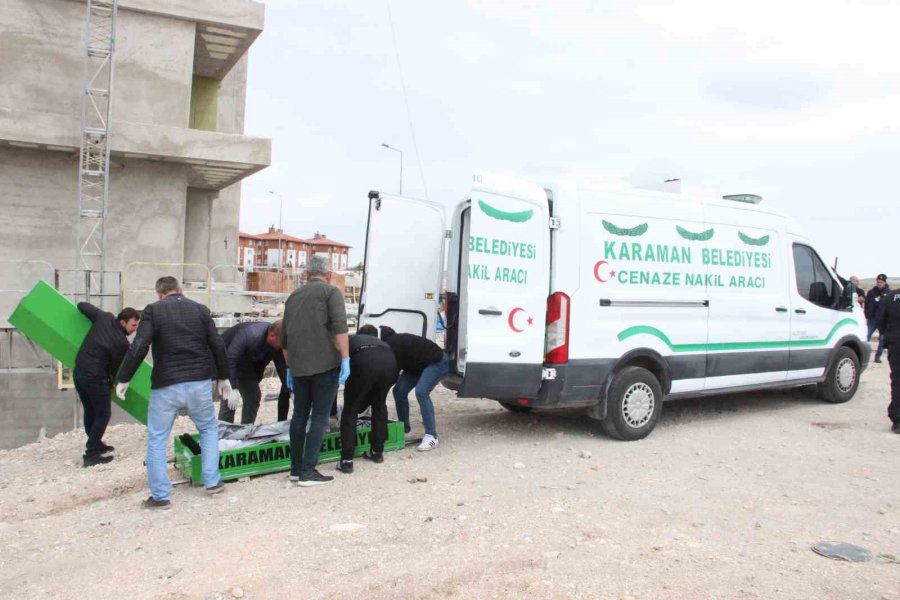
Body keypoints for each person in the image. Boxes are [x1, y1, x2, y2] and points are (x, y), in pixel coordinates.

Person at [117, 276, 231, 509]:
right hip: (199, 382)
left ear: (159, 294)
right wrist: (224, 376)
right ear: (180, 290)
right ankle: (213, 482)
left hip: (166, 385)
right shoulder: (200, 310)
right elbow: (217, 344)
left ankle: (160, 496)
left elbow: (140, 344)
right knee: (208, 429)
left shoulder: (153, 311)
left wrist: (124, 377)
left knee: (158, 438)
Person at [281, 255, 350, 487]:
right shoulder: (331, 293)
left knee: (299, 415)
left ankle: (295, 468)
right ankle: (308, 472)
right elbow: (340, 326)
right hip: (324, 365)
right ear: (328, 274)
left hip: (299, 367)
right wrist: (346, 358)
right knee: (320, 416)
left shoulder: (293, 297)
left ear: (306, 274)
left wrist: (289, 367)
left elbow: (284, 338)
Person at [73, 303, 140, 467]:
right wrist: (113, 384)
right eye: (133, 325)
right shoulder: (122, 344)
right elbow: (115, 369)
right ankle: (91, 454)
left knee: (90, 410)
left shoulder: (104, 317)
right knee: (103, 414)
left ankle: (96, 443)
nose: (135, 329)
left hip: (79, 372)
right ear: (123, 322)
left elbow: (81, 305)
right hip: (96, 377)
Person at [335, 324, 399, 474]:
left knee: (350, 409)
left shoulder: (351, 339)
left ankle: (347, 460)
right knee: (379, 405)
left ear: (359, 333)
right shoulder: (381, 343)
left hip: (364, 363)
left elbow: (338, 365)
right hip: (390, 364)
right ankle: (377, 452)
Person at [379, 325, 448, 451]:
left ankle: (432, 436)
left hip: (437, 362)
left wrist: (379, 392)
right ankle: (405, 430)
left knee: (421, 392)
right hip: (417, 366)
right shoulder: (395, 340)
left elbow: (393, 374)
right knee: (399, 391)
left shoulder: (392, 345)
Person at [217, 320, 290, 424]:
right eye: (282, 342)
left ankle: (246, 429)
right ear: (272, 336)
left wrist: (290, 391)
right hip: (227, 361)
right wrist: (232, 388)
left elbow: (281, 367)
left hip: (248, 365)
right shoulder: (249, 334)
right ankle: (223, 433)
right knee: (229, 400)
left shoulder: (277, 344)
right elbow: (231, 359)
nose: (283, 346)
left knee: (253, 395)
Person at [876, 286, 900, 433]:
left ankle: (898, 420)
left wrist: (889, 336)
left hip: (895, 343)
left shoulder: (891, 297)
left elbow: (880, 320)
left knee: (897, 380)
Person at [865, 274, 891, 363]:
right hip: (872, 318)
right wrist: (867, 314)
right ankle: (865, 355)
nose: (879, 283)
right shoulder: (871, 292)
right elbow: (867, 303)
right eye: (878, 282)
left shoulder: (889, 293)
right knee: (866, 336)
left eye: (881, 282)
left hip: (883, 320)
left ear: (885, 282)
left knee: (882, 339)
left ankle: (878, 357)